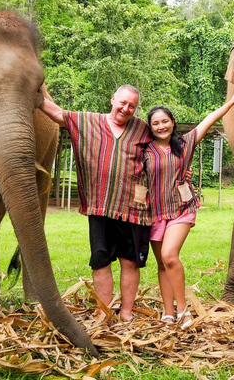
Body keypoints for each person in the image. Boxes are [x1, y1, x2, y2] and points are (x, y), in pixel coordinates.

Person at [39, 85, 152, 322]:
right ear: (113, 99)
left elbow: (166, 147)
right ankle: (104, 311)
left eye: (132, 105)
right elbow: (58, 113)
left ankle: (127, 313)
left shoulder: (143, 128)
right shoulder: (88, 121)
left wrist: (183, 170)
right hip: (99, 206)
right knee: (100, 261)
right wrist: (33, 91)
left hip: (133, 208)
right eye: (122, 102)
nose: (126, 108)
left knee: (129, 261)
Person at [144, 87, 234, 329]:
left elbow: (208, 120)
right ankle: (168, 312)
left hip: (181, 208)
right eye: (155, 123)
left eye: (165, 121)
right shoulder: (144, 150)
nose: (161, 126)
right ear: (150, 127)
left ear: (172, 122)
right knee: (162, 264)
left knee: (170, 256)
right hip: (154, 212)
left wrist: (230, 103)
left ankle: (183, 310)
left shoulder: (185, 143)